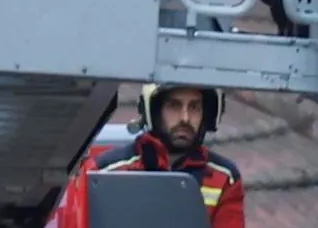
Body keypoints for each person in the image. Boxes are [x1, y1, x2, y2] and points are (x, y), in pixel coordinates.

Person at [74, 84, 245, 228]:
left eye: (194, 107)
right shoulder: (104, 172)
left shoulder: (224, 178)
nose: (185, 118)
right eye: (174, 105)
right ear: (154, 111)